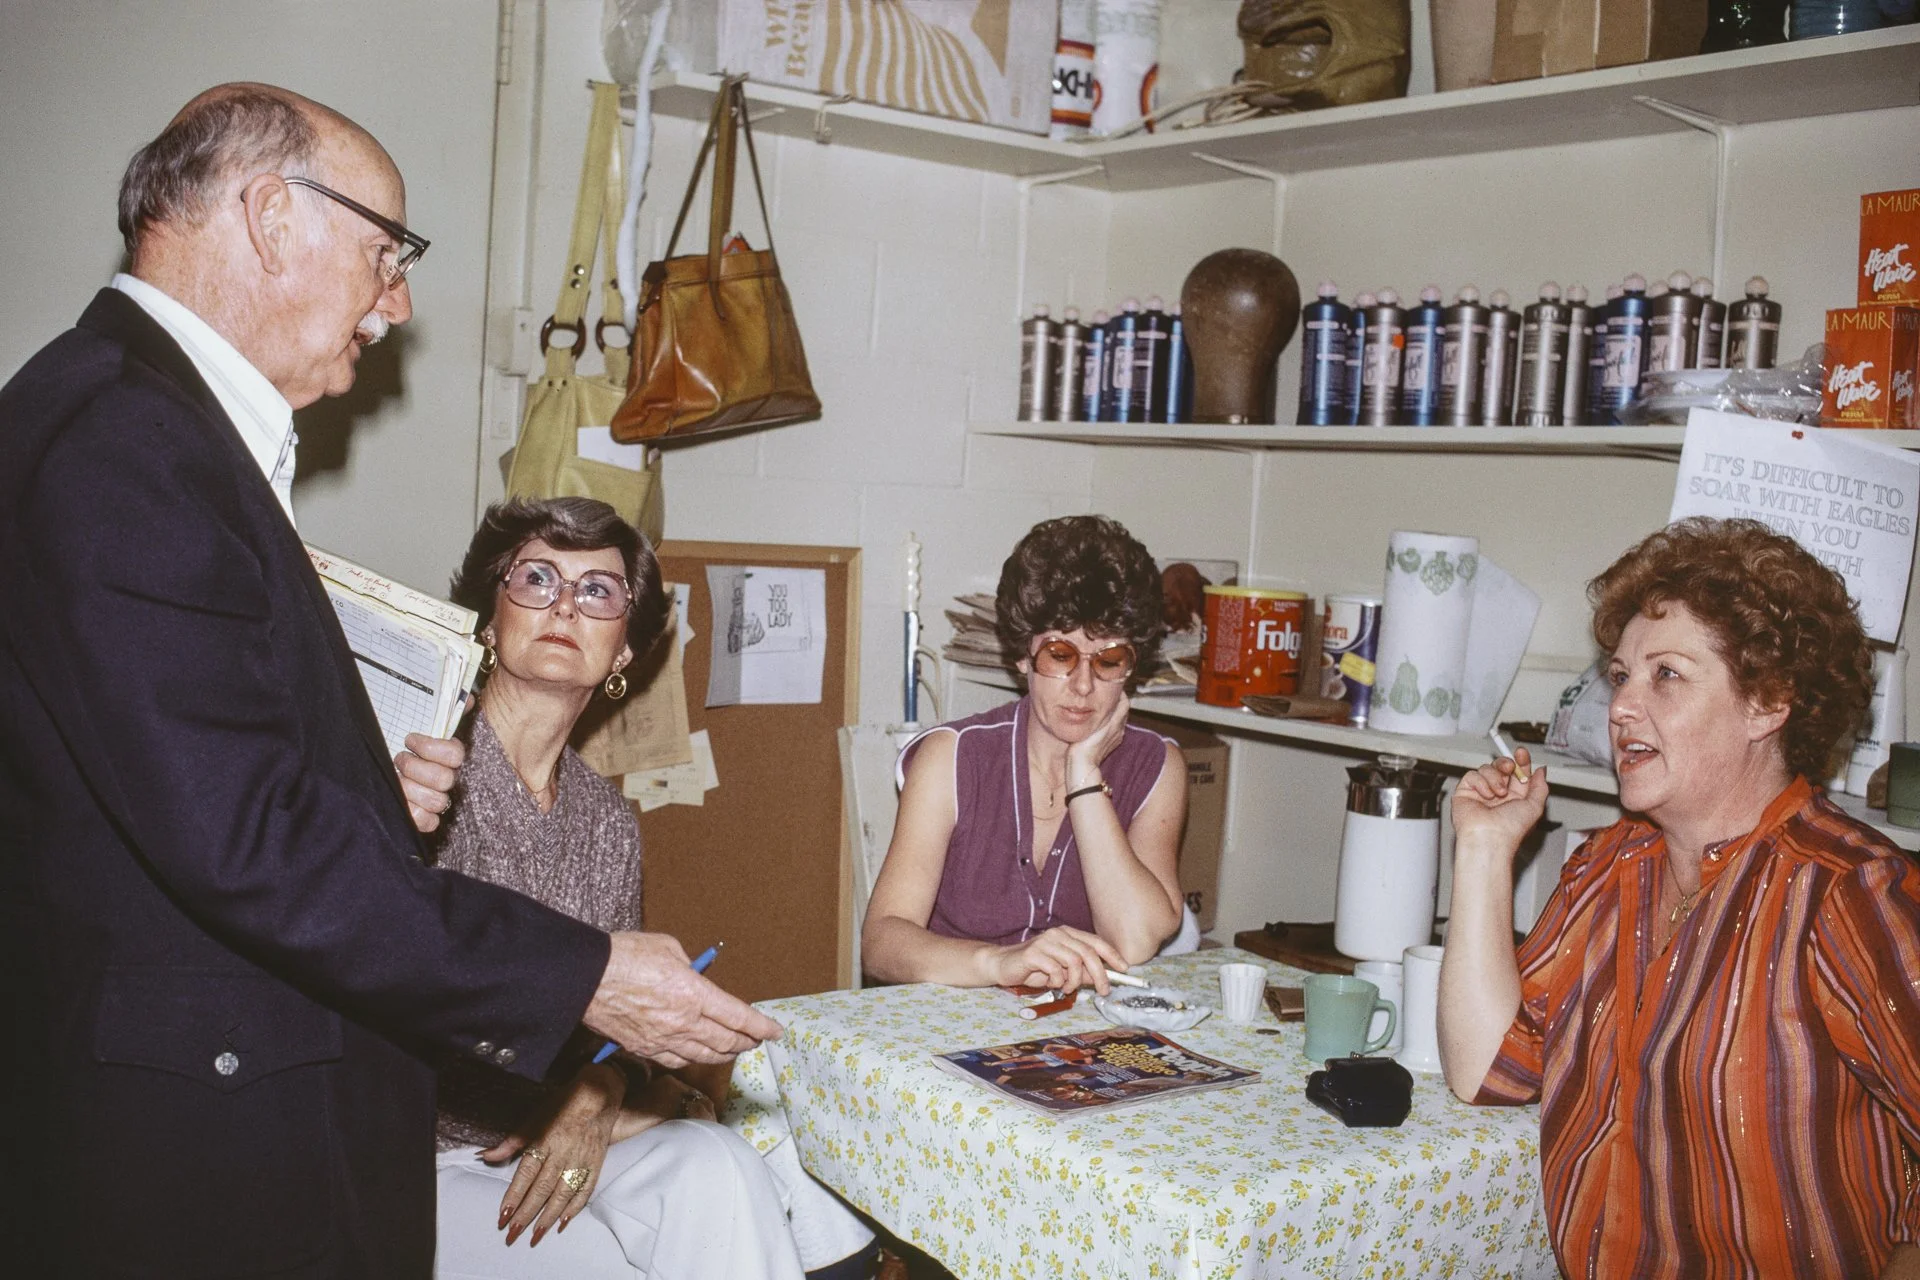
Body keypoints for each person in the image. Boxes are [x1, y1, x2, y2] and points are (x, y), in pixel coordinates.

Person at [0, 84, 778, 1277]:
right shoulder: (129, 440)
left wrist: (365, 791)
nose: (397, 303)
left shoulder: (129, 417)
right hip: (190, 1135)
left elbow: (172, 783)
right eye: (387, 254)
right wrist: (585, 972)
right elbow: (242, 836)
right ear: (273, 218)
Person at [1439, 517, 1920, 1278]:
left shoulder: (1846, 892)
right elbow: (1488, 1069)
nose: (1622, 706)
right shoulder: (1606, 867)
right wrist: (1484, 848)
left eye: (1665, 674)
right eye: (1620, 676)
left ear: (1767, 703)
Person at [429, 497, 871, 1279]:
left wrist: (600, 1088)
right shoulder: (422, 772)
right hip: (427, 1153)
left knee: (720, 1167)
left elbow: (616, 1037)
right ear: (490, 618)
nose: (565, 605)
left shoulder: (606, 821)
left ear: (624, 649)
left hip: (564, 1136)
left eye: (597, 590)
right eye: (537, 579)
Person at [862, 515, 1186, 994]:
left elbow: (1134, 941)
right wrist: (997, 963)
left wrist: (1083, 775)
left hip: (1078, 1025)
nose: (1083, 686)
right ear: (1022, 656)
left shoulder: (1156, 766)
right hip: (952, 1014)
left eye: (1108, 660)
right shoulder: (951, 758)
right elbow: (881, 941)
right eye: (1060, 655)